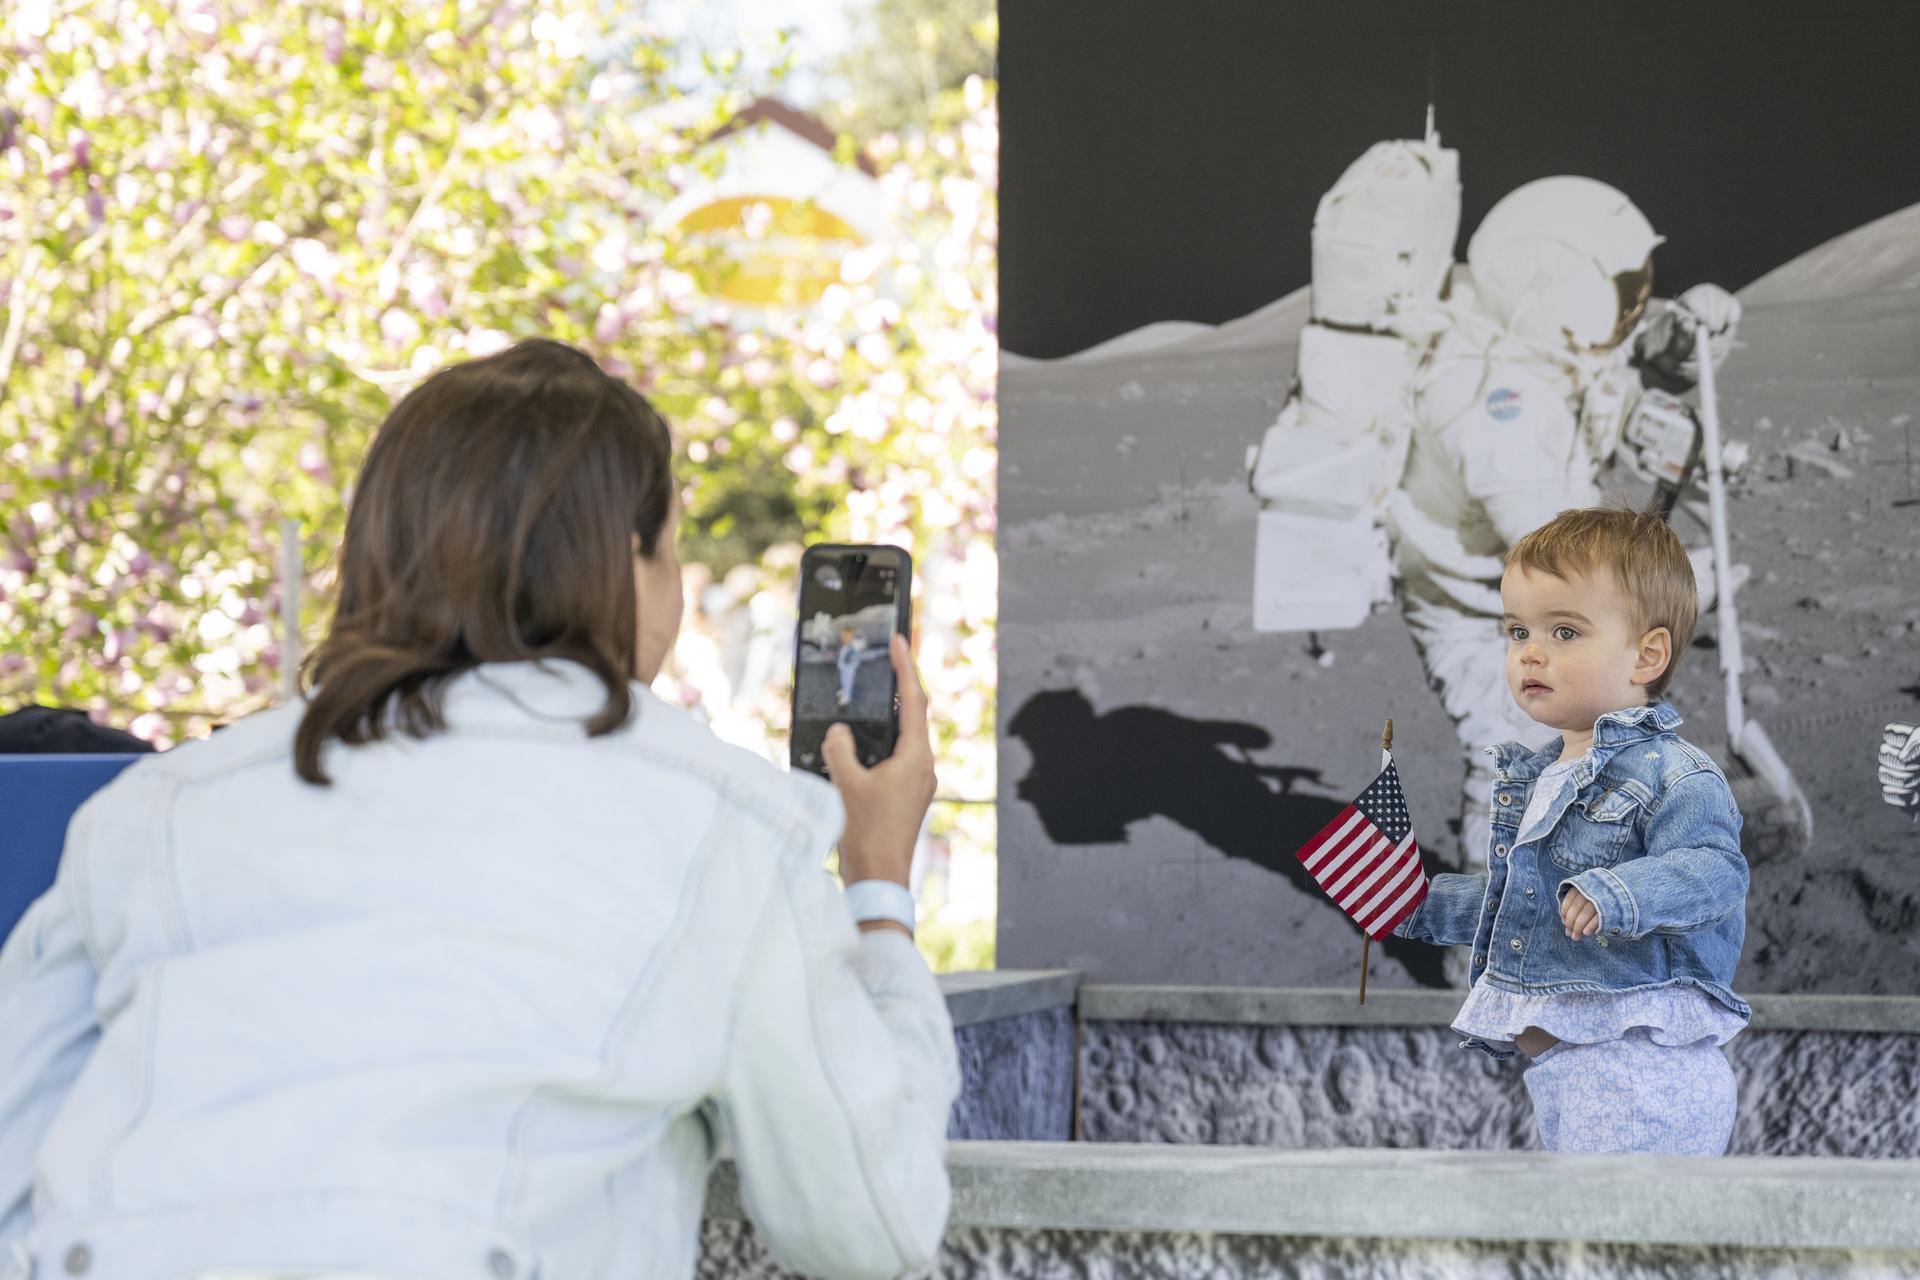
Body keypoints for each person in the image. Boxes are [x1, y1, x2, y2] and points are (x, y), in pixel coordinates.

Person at [0, 339, 960, 1280]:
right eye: (672, 550)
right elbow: (868, 1224)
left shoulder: (162, 808)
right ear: (625, 563)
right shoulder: (720, 825)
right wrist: (877, 892)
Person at [1386, 176, 1746, 891]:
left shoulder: (1543, 335)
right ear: (1562, 288)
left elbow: (1639, 350)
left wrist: (1702, 322)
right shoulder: (1496, 412)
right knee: (1520, 755)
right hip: (1472, 607)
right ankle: (1487, 956)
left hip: (1531, 588)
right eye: (1621, 285)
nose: (1633, 299)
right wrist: (1677, 580)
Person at [1391, 506, 1751, 1156]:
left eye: (1564, 632)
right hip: (1570, 1077)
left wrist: (1618, 893)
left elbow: (1716, 872)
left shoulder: (1674, 774)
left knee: (1615, 1246)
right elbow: (1523, 910)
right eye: (1517, 630)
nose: (1530, 650)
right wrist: (1419, 905)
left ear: (1646, 655)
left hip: (1645, 1083)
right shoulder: (1547, 777)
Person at [836, 625, 866, 709]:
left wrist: (860, 634)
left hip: (849, 667)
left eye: (846, 637)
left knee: (847, 681)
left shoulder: (854, 646)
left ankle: (846, 697)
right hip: (843, 667)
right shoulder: (843, 646)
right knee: (842, 680)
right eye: (843, 636)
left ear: (852, 638)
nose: (843, 639)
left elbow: (861, 645)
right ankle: (843, 690)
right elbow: (841, 656)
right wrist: (840, 664)